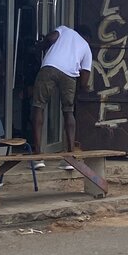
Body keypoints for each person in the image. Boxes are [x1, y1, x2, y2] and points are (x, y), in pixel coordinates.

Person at [31, 23, 92, 167]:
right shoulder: (86, 47)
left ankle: (38, 156)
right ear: (87, 37)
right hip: (70, 74)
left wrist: (41, 46)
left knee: (38, 106)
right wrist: (84, 88)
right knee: (68, 112)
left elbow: (51, 38)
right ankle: (70, 156)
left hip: (50, 67)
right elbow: (84, 79)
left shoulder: (64, 30)